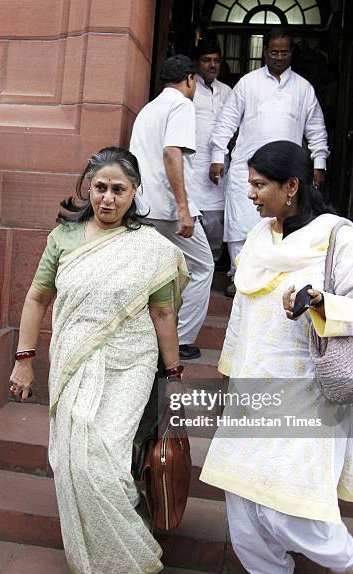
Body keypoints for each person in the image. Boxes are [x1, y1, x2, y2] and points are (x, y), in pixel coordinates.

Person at [200, 141, 353, 574]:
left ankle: (341, 559)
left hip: (310, 387)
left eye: (260, 184)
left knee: (287, 500)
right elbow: (241, 316)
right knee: (242, 498)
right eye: (250, 183)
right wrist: (231, 375)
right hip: (252, 386)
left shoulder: (336, 235)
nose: (250, 193)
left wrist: (320, 301)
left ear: (292, 186)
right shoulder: (258, 239)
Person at [8, 147, 189, 574]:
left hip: (130, 363)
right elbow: (35, 298)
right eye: (101, 187)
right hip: (74, 361)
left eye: (119, 189)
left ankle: (122, 546)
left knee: (104, 463)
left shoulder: (151, 248)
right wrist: (24, 358)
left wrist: (173, 373)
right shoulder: (63, 239)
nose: (108, 198)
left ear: (135, 193)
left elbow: (164, 311)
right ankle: (84, 560)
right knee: (72, 462)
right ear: (87, 188)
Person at [209, 28, 329, 298]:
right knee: (242, 224)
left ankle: (275, 281)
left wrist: (318, 162)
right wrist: (218, 156)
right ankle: (240, 278)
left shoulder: (303, 88)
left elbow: (316, 129)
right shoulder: (248, 83)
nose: (278, 57)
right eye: (273, 52)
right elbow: (226, 121)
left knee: (283, 224)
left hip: (287, 174)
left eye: (284, 52)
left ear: (291, 53)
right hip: (246, 167)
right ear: (265, 52)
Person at [130, 54, 214, 360]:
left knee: (155, 272)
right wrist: (183, 208)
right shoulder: (182, 104)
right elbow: (171, 152)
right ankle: (180, 341)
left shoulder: (148, 109)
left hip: (142, 206)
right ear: (191, 79)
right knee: (203, 266)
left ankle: (152, 337)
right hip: (166, 209)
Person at [191, 38, 232, 263]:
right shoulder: (188, 89)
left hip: (219, 164)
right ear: (196, 63)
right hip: (194, 165)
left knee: (217, 221)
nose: (212, 65)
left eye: (216, 60)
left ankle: (212, 264)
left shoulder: (227, 91)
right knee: (195, 219)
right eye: (206, 60)